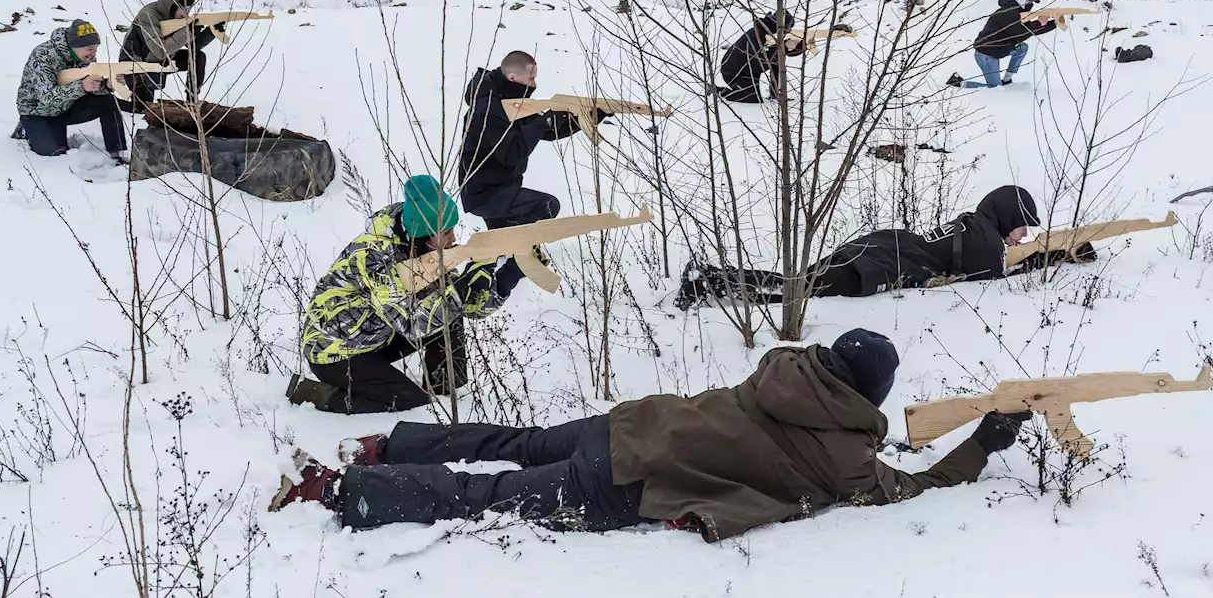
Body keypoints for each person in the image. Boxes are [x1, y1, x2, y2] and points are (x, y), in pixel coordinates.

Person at [268, 329, 1032, 541]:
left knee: (511, 443)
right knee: (490, 496)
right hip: (628, 480)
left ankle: (383, 446)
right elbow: (909, 487)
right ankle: (346, 492)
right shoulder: (843, 457)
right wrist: (982, 443)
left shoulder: (783, 369)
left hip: (630, 421)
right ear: (869, 397)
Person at [286, 176, 521, 413]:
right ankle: (315, 396)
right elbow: (411, 323)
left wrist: (505, 279)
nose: (453, 239)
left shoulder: (425, 250)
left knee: (448, 312)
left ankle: (447, 391)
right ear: (424, 233)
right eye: (446, 232)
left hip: (377, 337)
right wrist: (459, 292)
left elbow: (462, 308)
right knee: (409, 403)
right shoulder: (372, 256)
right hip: (335, 352)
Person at [676, 185, 1040, 310]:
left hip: (876, 247)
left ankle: (711, 278)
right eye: (1023, 226)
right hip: (877, 267)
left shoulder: (975, 225)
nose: (1023, 236)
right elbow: (997, 276)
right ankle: (709, 282)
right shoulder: (987, 243)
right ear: (1008, 217)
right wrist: (1047, 255)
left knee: (797, 282)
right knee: (795, 292)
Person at [457, 51, 599, 290]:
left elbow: (547, 132)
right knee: (546, 206)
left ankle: (478, 286)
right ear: (513, 77)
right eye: (530, 79)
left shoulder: (509, 99)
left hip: (499, 189)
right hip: (485, 194)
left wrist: (592, 116)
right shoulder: (488, 109)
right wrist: (542, 119)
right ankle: (518, 265)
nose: (534, 84)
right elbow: (513, 151)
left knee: (495, 250)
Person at [13, 20, 127, 161]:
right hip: (38, 112)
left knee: (107, 101)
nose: (93, 53)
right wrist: (81, 86)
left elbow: (91, 87)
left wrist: (106, 85)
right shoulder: (43, 56)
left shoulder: (85, 57)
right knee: (55, 156)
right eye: (90, 48)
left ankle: (117, 152)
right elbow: (46, 97)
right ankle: (25, 128)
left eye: (96, 48)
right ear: (74, 45)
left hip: (67, 106)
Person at [118, 0, 219, 108]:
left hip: (160, 60)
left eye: (188, 9)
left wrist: (210, 32)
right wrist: (187, 32)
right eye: (182, 8)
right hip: (135, 64)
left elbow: (192, 47)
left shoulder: (176, 18)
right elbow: (159, 50)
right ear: (170, 5)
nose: (186, 13)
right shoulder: (148, 15)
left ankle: (192, 101)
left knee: (197, 57)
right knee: (140, 109)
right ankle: (111, 103)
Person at [947, 0, 1057, 89]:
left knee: (1022, 48)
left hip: (999, 49)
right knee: (995, 89)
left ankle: (1007, 79)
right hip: (987, 54)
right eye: (1029, 1)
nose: (1030, 5)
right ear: (1022, 1)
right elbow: (1019, 33)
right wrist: (1039, 23)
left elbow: (1029, 31)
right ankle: (959, 84)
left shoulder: (1017, 14)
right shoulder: (1006, 13)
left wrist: (1053, 23)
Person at [714, 10, 805, 103]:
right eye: (787, 28)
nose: (789, 31)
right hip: (734, 72)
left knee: (755, 96)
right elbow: (758, 61)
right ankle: (718, 91)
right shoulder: (757, 34)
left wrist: (799, 46)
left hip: (749, 73)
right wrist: (779, 48)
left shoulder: (772, 37)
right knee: (753, 98)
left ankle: (773, 93)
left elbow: (777, 64)